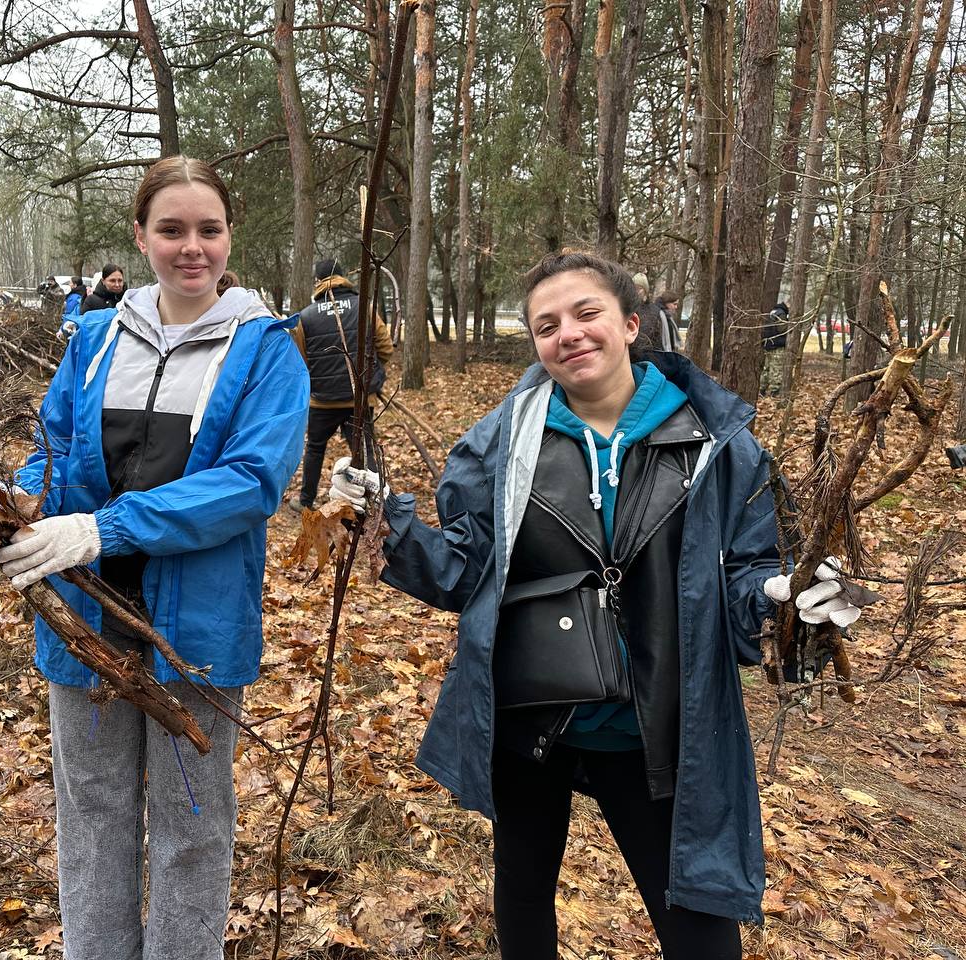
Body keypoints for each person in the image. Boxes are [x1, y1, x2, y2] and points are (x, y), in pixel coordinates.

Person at [328, 251, 864, 960]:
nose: (569, 334)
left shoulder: (716, 444)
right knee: (522, 889)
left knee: (698, 926)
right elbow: (464, 571)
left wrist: (784, 604)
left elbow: (748, 577)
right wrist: (383, 529)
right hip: (531, 718)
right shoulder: (502, 442)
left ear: (630, 323)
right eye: (547, 325)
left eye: (586, 314)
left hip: (656, 725)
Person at [0, 155, 310, 960]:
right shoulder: (97, 339)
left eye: (208, 229)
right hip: (83, 620)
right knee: (92, 815)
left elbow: (250, 483)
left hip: (197, 631)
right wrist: (27, 506)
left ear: (229, 236)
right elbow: (54, 447)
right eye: (171, 229)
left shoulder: (267, 351)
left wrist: (105, 528)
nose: (191, 247)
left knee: (191, 826)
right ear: (140, 237)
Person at [288, 258, 394, 509]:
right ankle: (378, 503)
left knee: (315, 448)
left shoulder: (306, 316)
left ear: (319, 282)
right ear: (343, 277)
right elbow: (386, 347)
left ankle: (306, 501)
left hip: (322, 401)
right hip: (358, 399)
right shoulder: (364, 306)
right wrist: (372, 373)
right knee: (365, 450)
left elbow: (302, 360)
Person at [761, 301, 790, 396]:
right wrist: (789, 323)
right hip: (777, 344)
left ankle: (762, 388)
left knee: (767, 368)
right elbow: (782, 329)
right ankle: (775, 390)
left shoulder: (773, 311)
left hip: (768, 343)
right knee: (776, 368)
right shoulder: (781, 313)